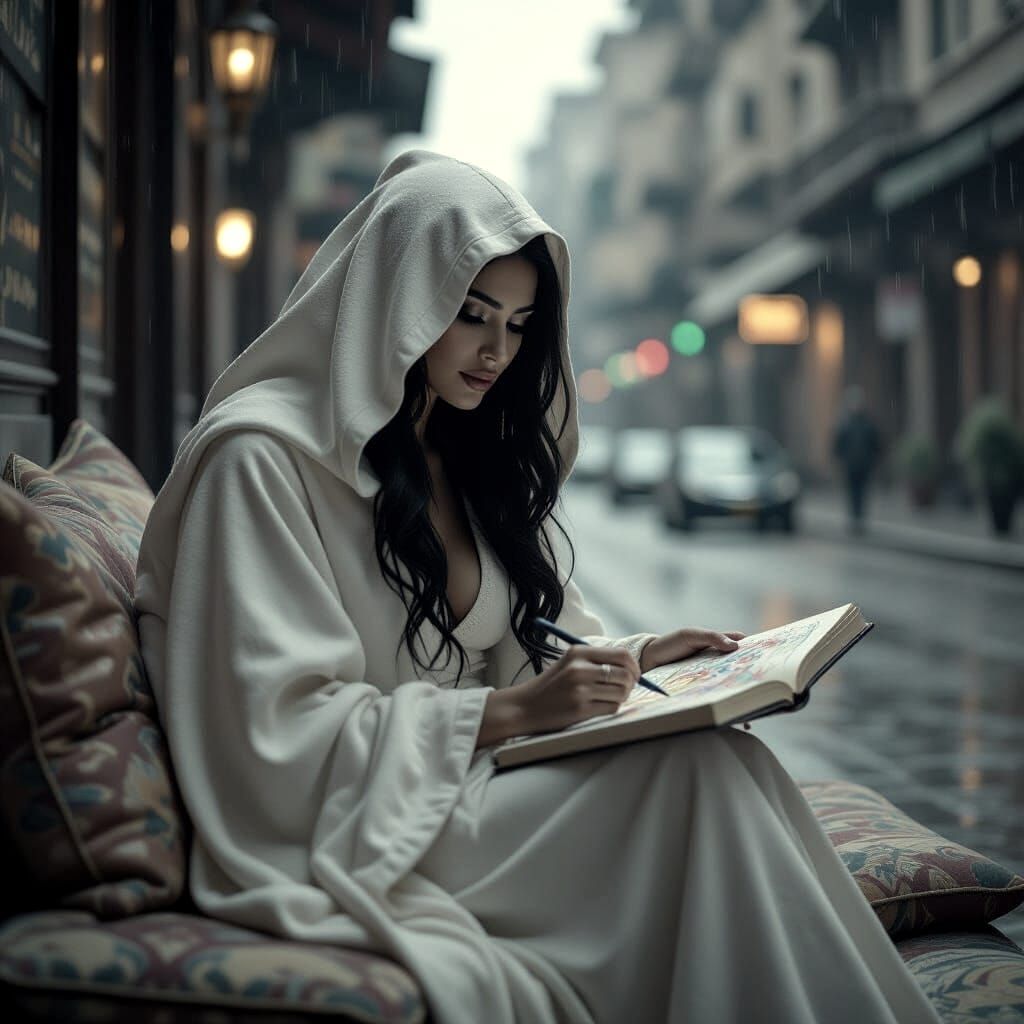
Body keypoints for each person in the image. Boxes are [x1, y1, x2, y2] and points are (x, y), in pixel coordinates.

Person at [134, 151, 939, 1024]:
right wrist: (509, 717)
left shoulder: (457, 451)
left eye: (519, 326)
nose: (495, 351)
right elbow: (269, 741)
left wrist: (639, 660)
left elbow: (526, 652)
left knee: (722, 757)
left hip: (473, 782)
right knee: (691, 786)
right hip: (373, 825)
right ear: (393, 300)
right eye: (471, 315)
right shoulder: (256, 460)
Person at [832, 386, 882, 534]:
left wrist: (874, 458)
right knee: (852, 492)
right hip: (850, 465)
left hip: (864, 465)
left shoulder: (867, 423)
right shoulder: (845, 424)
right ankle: (854, 519)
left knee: (862, 492)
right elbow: (838, 444)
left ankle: (860, 519)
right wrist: (840, 458)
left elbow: (876, 442)